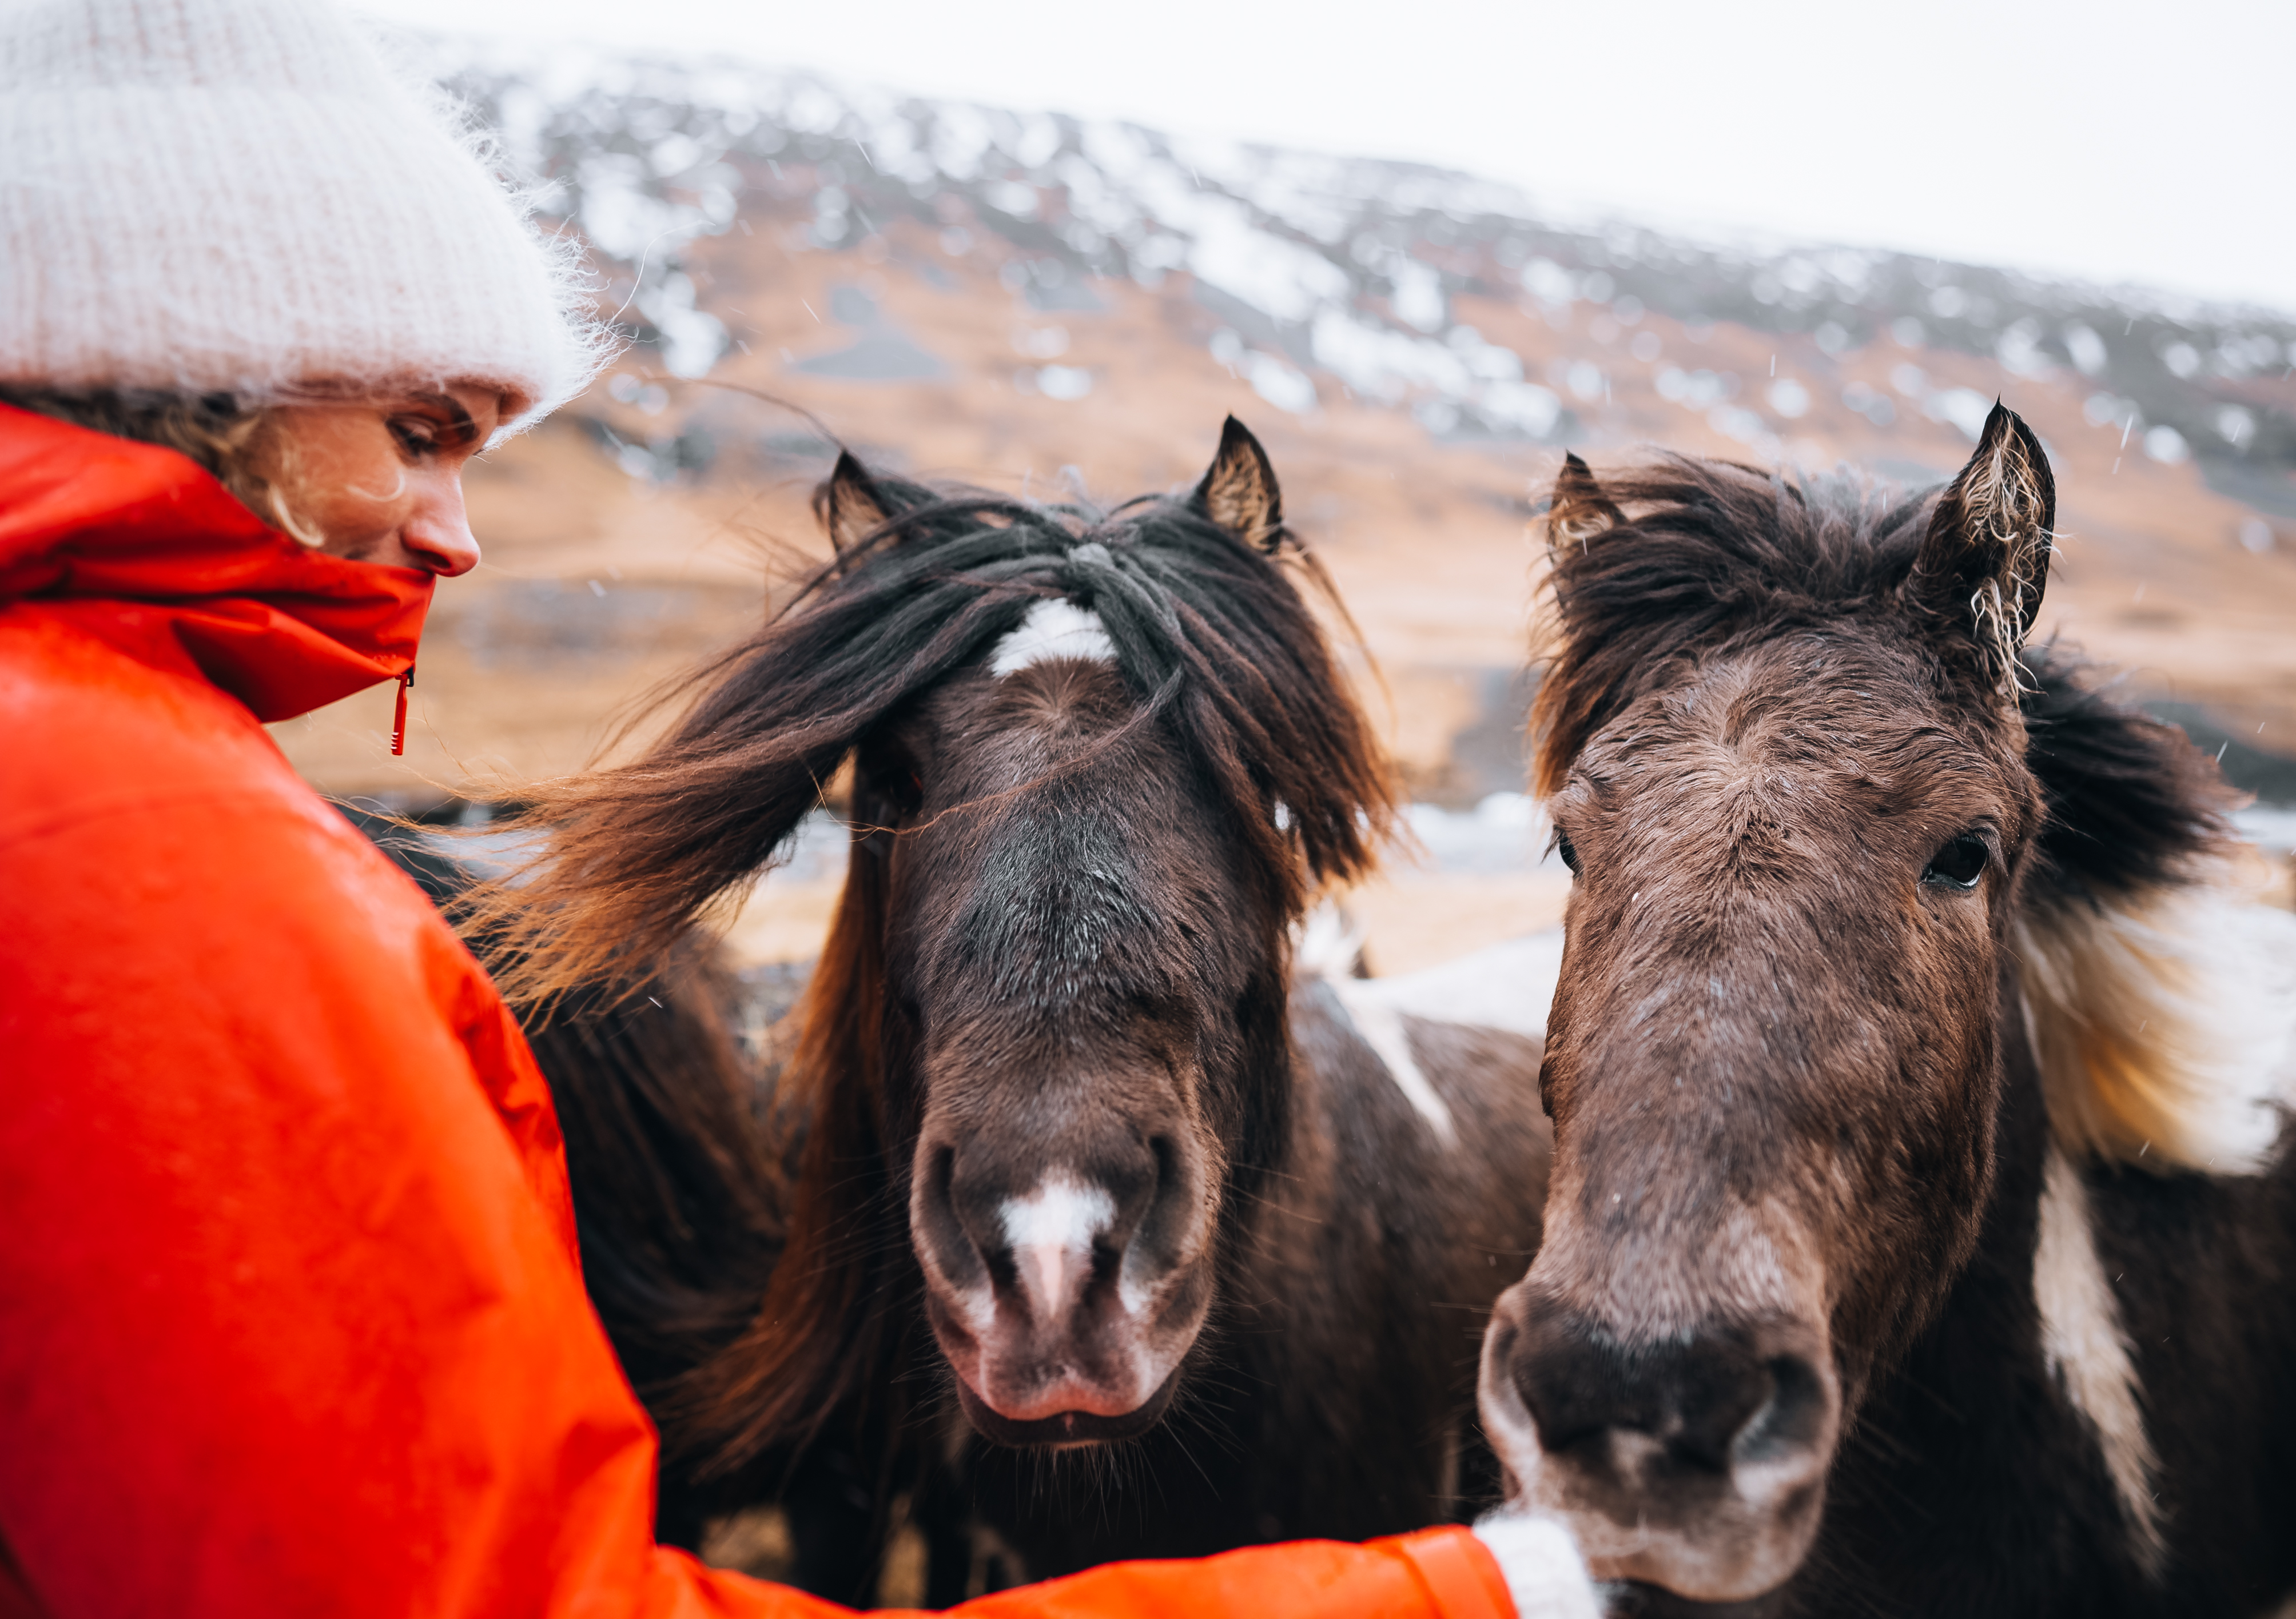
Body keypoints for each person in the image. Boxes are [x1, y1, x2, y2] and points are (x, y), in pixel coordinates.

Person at [0, 2, 1597, 1614]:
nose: (461, 533)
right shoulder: (134, 840)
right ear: (191, 383)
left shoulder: (118, 772)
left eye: (478, 452)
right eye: (421, 435)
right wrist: (1466, 1595)